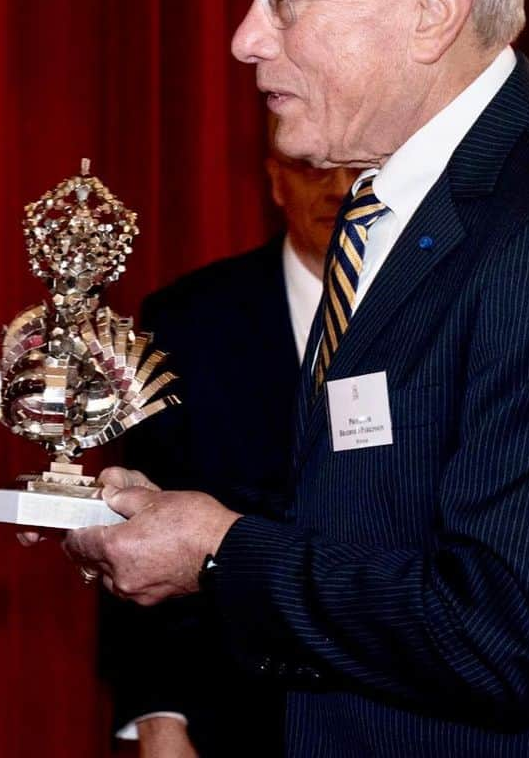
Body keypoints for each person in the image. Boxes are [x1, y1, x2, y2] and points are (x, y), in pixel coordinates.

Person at [65, 0, 529, 755]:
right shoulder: (399, 202)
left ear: (434, 9)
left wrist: (220, 548)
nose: (243, 39)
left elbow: (505, 632)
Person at [101, 148, 354, 757]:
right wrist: (159, 716)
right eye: (314, 168)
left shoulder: (443, 308)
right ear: (274, 180)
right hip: (228, 713)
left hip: (402, 710)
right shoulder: (188, 320)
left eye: (359, 170)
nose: (339, 188)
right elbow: (138, 513)